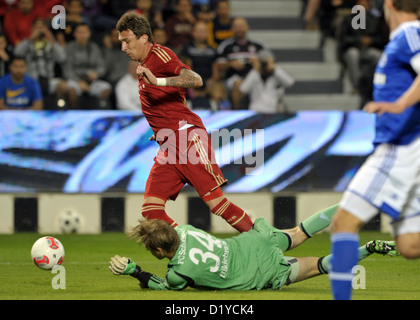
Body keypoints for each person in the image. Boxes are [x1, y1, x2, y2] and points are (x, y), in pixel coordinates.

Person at [116, 12, 254, 232]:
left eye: (126, 41)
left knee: (216, 204)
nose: (123, 48)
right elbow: (167, 104)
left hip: (185, 138)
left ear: (143, 38)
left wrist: (158, 80)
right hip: (169, 144)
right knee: (151, 210)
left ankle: (266, 242)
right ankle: (187, 248)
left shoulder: (160, 56)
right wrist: (161, 129)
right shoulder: (145, 64)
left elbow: (195, 79)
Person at [329, 0, 420, 300]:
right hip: (408, 148)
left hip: (400, 148)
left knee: (343, 223)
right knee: (410, 245)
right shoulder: (401, 39)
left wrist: (399, 104)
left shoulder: (409, 34)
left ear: (389, 5)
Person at [109, 204, 399, 291]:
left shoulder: (178, 275)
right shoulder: (185, 230)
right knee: (300, 231)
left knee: (322, 265)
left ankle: (369, 249)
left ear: (159, 252)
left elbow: (159, 286)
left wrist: (134, 271)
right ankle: (354, 202)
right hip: (256, 241)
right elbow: (172, 232)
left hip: (260, 273)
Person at [338, 0, 386, 98]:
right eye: (362, 3)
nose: (364, 5)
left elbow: (380, 39)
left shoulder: (374, 20)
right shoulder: (348, 20)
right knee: (353, 54)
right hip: (352, 48)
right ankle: (357, 86)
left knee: (378, 55)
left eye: (366, 3)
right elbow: (343, 39)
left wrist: (370, 41)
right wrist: (358, 40)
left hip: (368, 50)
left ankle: (380, 84)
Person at [216, 17, 266, 109]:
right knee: (238, 84)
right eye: (237, 27)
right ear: (232, 29)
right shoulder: (226, 46)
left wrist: (258, 64)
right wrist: (231, 64)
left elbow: (269, 64)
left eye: (241, 26)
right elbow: (219, 66)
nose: (239, 29)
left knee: (261, 84)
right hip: (234, 78)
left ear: (247, 27)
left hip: (254, 77)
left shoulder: (258, 45)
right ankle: (238, 112)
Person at [14, 19, 68, 105]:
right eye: (37, 27)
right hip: (31, 80)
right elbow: (17, 53)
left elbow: (62, 58)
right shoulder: (28, 43)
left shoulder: (50, 44)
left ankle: (58, 110)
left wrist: (52, 40)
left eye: (41, 27)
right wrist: (31, 38)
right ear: (32, 29)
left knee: (62, 86)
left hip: (49, 79)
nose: (39, 30)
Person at [63, 23, 112, 109]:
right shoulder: (69, 48)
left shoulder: (94, 48)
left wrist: (96, 74)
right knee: (71, 89)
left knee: (106, 88)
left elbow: (102, 67)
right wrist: (79, 81)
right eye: (79, 32)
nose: (82, 35)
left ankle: (97, 112)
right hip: (75, 80)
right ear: (75, 34)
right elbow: (67, 69)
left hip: (91, 81)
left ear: (89, 34)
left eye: (84, 32)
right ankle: (73, 112)